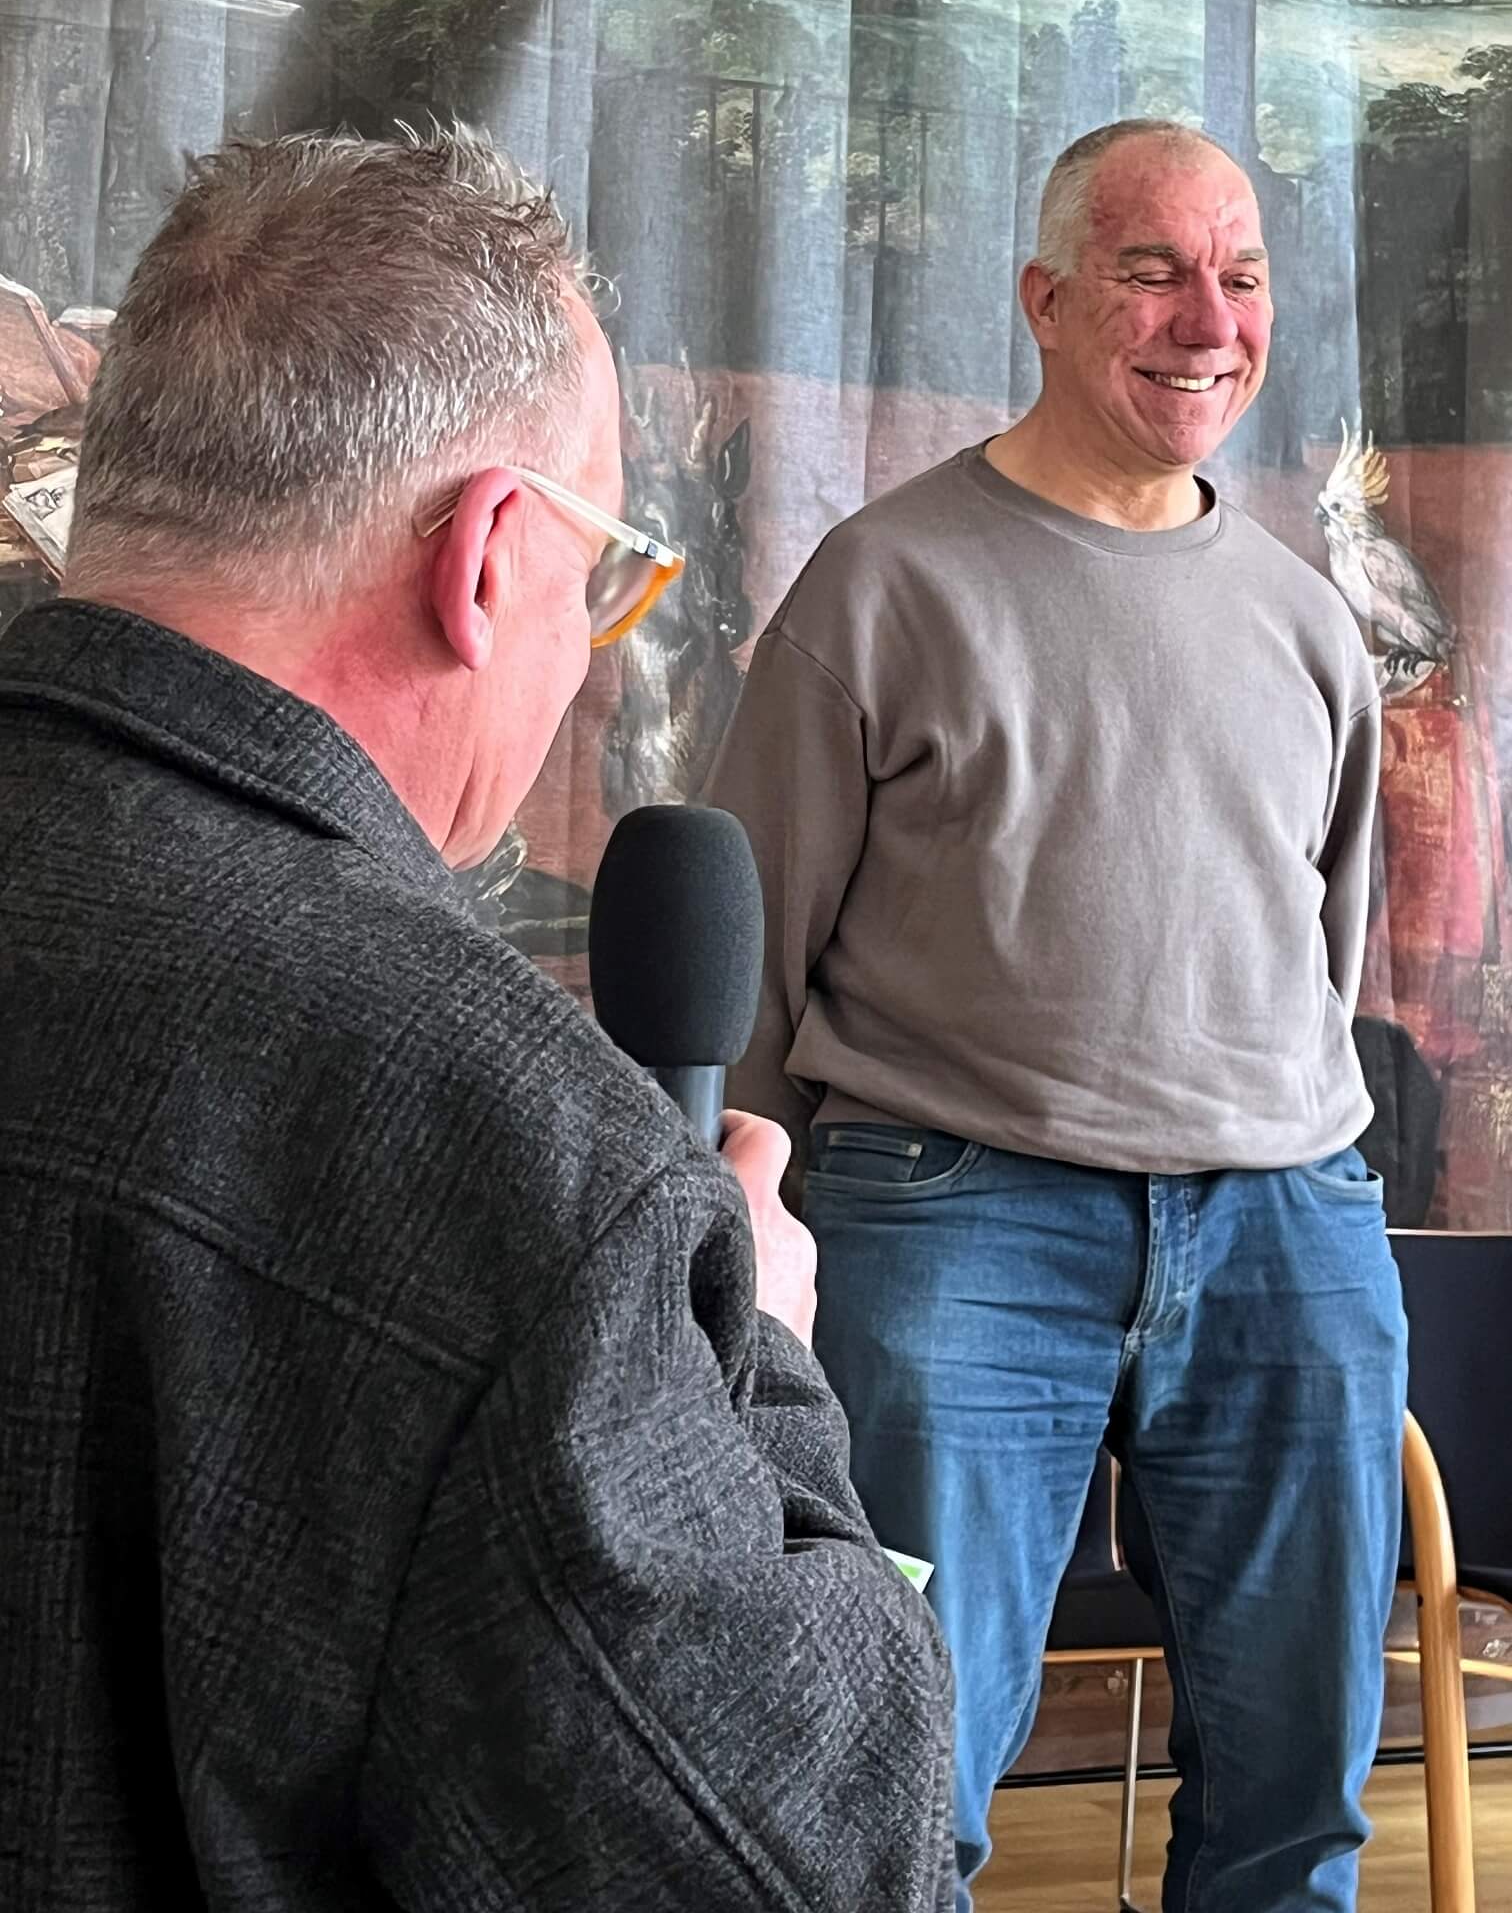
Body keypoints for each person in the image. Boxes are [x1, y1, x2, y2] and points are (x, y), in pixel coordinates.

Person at [0, 129, 954, 1913]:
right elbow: (809, 1866)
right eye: (605, 575)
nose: (590, 654)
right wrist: (759, 1369)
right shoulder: (511, 1149)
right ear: (493, 556)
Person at [705, 118, 1408, 1913]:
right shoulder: (882, 583)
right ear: (1041, 298)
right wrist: (748, 1249)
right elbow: (752, 952)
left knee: (1299, 1806)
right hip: (955, 1221)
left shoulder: (1307, 622)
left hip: (1288, 1232)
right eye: (1151, 272)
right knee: (899, 1779)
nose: (1207, 322)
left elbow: (1326, 952)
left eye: (1239, 278)